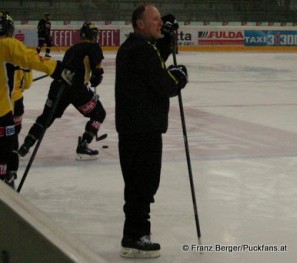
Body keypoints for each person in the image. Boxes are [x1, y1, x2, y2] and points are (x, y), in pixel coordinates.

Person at [115, 4, 188, 258]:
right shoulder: (139, 50)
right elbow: (161, 83)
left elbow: (155, 59)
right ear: (140, 24)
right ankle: (135, 236)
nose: (159, 22)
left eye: (161, 20)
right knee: (142, 183)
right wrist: (178, 78)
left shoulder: (136, 48)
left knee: (139, 183)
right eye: (155, 19)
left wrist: (166, 36)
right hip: (142, 129)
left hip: (136, 128)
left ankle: (134, 234)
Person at [0, 12, 73, 189]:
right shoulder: (6, 45)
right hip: (2, 112)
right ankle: (6, 184)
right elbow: (30, 59)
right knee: (6, 151)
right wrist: (56, 68)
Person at [19, 21, 106, 161]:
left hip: (58, 87)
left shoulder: (72, 49)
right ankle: (84, 145)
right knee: (99, 113)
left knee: (45, 118)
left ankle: (26, 145)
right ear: (93, 35)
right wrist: (97, 78)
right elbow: (97, 70)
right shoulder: (94, 47)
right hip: (77, 89)